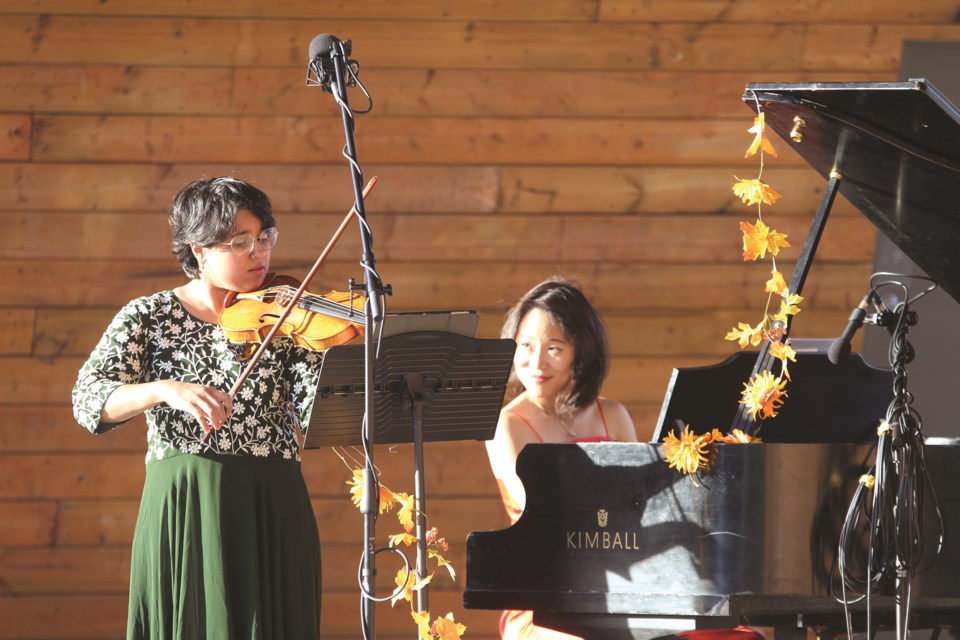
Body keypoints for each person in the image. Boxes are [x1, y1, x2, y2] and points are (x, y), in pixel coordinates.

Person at [72, 177, 324, 639]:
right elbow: (89, 398)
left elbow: (316, 409)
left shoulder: (286, 315)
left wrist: (352, 370)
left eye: (265, 237)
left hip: (273, 502)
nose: (259, 252)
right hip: (188, 504)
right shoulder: (148, 316)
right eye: (240, 242)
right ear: (200, 249)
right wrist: (164, 389)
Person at [485, 277, 638, 640]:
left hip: (619, 590)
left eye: (554, 348)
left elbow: (640, 506)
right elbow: (542, 517)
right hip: (541, 600)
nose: (535, 361)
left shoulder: (613, 415)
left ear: (581, 352)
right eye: (526, 345)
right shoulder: (506, 424)